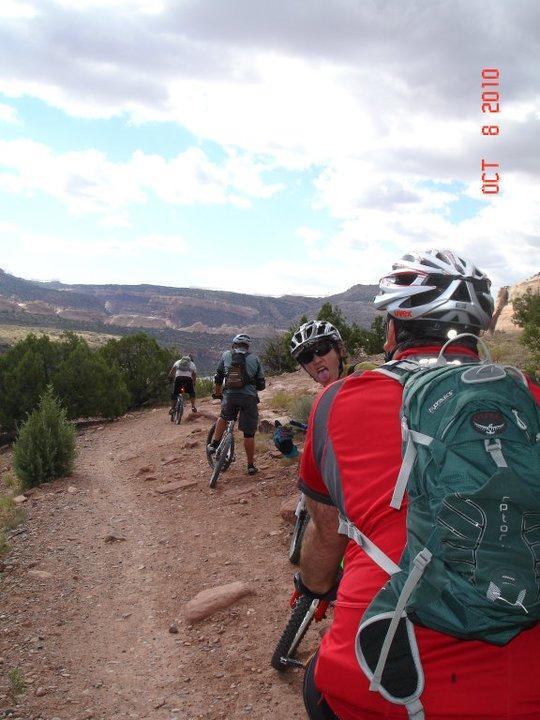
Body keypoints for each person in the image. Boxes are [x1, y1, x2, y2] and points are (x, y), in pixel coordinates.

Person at [295, 249, 540, 720]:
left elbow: (326, 534)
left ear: (392, 330)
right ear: (478, 331)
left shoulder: (335, 405)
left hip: (381, 682)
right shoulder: (530, 397)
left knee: (319, 685)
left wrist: (314, 584)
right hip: (523, 688)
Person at [273, 320, 347, 459]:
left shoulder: (365, 373)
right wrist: (290, 451)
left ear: (340, 350)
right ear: (305, 368)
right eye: (306, 357)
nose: (316, 360)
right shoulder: (323, 405)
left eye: (322, 349)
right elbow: (324, 458)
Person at [208, 334, 266, 476]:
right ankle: (250, 466)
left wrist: (217, 393)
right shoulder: (255, 358)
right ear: (248, 346)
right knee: (248, 434)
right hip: (249, 398)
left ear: (234, 345)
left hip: (230, 396)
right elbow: (261, 384)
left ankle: (214, 444)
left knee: (224, 416)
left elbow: (218, 376)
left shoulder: (226, 354)